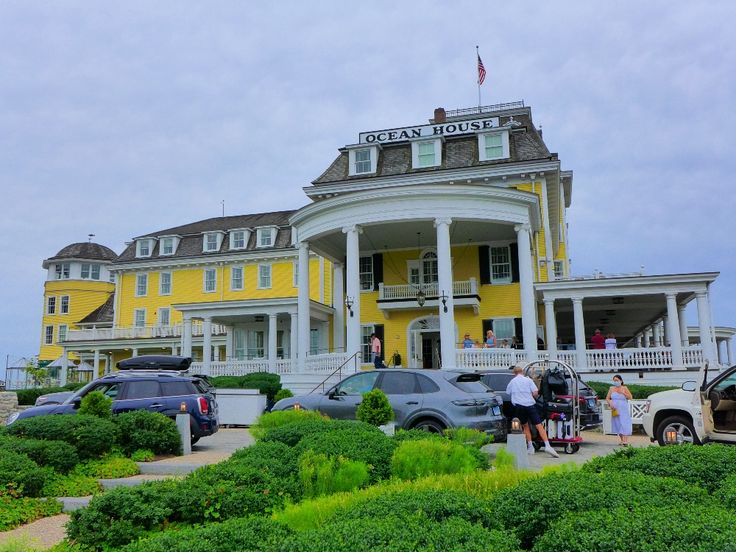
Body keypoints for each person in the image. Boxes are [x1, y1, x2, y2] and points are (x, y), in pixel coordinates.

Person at [505, 365, 560, 458]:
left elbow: (508, 392)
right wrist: (530, 395)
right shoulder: (528, 380)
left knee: (525, 426)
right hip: (530, 405)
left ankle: (530, 447)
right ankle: (547, 446)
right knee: (539, 425)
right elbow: (535, 392)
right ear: (522, 372)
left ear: (514, 373)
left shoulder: (512, 381)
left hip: (519, 406)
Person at [606, 374, 633, 446]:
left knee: (624, 423)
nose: (615, 382)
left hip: (623, 408)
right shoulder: (611, 388)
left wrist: (623, 393)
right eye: (614, 380)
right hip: (615, 408)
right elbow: (607, 398)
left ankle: (625, 441)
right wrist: (610, 403)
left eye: (617, 380)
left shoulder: (625, 388)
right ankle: (622, 440)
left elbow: (630, 397)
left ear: (621, 381)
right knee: (618, 423)